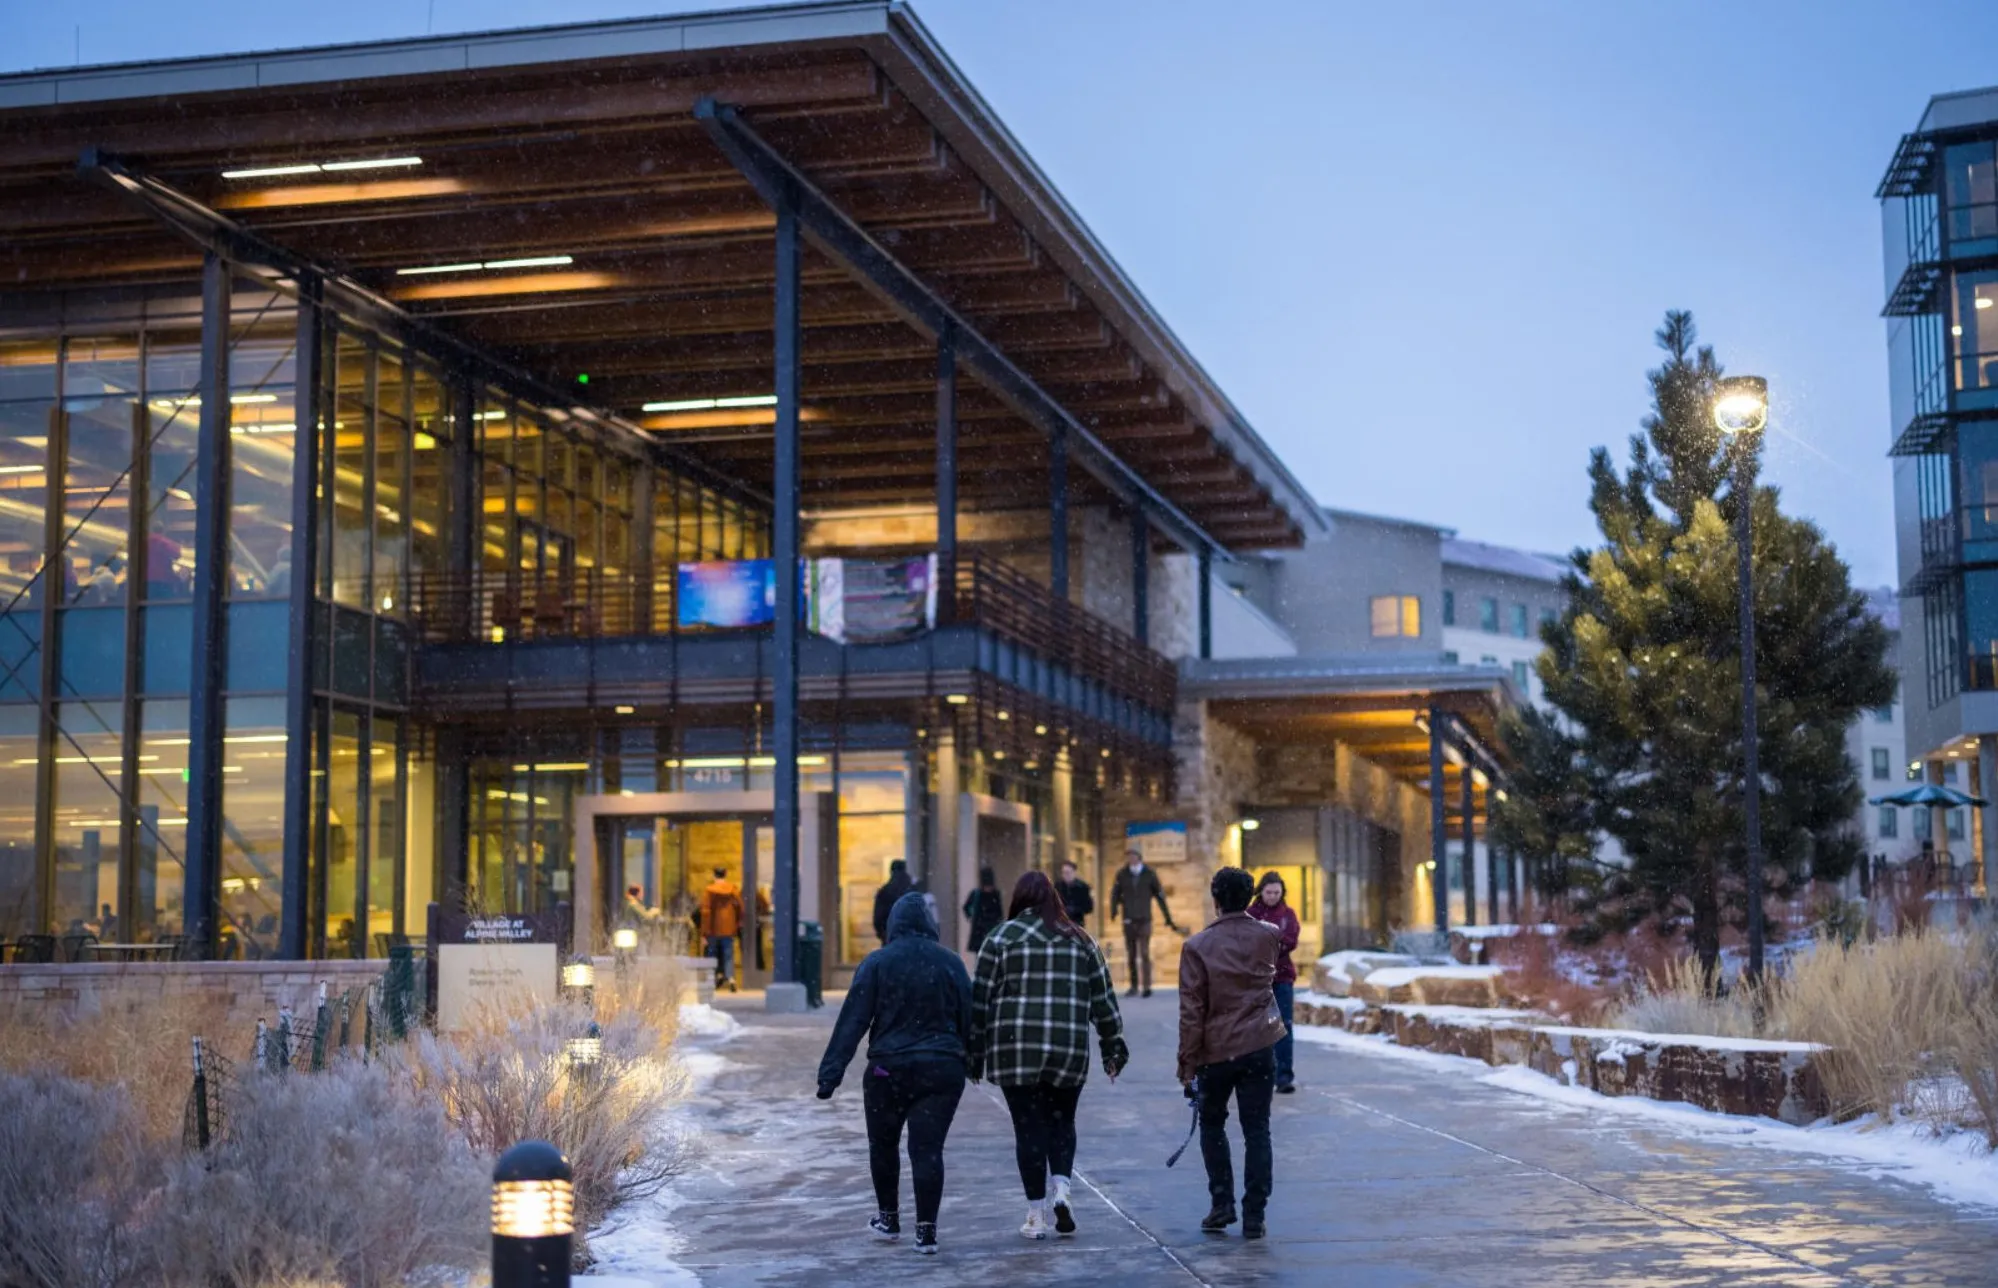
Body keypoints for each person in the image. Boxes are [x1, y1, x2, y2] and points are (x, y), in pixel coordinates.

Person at [970, 870, 1127, 1241]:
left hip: (1016, 1050)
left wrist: (974, 1052)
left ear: (1019, 899)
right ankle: (1062, 1191)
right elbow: (1103, 1000)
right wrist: (1112, 1046)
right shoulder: (1081, 940)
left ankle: (1035, 1216)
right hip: (1067, 1048)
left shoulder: (1000, 938)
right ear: (1053, 898)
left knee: (1027, 1130)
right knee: (1062, 1122)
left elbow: (980, 1001)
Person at [816, 891, 972, 1256]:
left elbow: (853, 1021)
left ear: (893, 925)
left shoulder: (878, 963)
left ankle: (888, 1219)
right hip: (941, 1069)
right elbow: (970, 1016)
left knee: (883, 1145)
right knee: (927, 1149)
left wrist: (830, 1075)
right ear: (930, 926)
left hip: (889, 1070)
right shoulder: (951, 963)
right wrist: (973, 1061)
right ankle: (927, 1232)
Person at [1178, 866, 1286, 1240]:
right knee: (1257, 1129)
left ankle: (1221, 1203)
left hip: (1216, 1050)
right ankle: (1255, 1214)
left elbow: (1192, 1010)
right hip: (1259, 1044)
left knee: (1212, 1124)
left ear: (1216, 899)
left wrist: (1186, 1063)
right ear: (1250, 896)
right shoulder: (1269, 936)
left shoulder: (1197, 947)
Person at [1248, 871, 1301, 1094]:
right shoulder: (1250, 913)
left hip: (1282, 977)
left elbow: (1290, 941)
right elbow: (1248, 941)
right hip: (1256, 979)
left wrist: (1268, 945)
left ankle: (1284, 1077)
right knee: (1256, 1028)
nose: (1272, 896)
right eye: (1269, 892)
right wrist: (1273, 943)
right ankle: (1256, 1077)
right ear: (1261, 891)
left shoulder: (1287, 914)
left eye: (1277, 892)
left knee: (1284, 1027)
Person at [1109, 847, 1177, 997]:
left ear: (1139, 857)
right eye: (1129, 856)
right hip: (1128, 918)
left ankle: (1146, 986)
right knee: (1131, 953)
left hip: (1144, 918)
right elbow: (1115, 894)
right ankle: (1134, 985)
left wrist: (1167, 917)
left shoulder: (1149, 874)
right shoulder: (1122, 874)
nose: (1131, 858)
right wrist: (1113, 911)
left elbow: (1159, 895)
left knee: (1144, 952)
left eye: (1133, 855)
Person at [701, 866, 744, 991]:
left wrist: (704, 932)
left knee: (712, 954)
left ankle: (712, 978)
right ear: (725, 875)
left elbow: (705, 912)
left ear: (714, 875)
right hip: (728, 928)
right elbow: (741, 908)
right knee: (728, 954)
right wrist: (736, 923)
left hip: (713, 928)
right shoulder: (732, 889)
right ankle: (731, 978)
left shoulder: (709, 891)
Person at [873, 858, 914, 945]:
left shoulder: (885, 891)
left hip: (890, 939)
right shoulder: (913, 889)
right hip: (913, 941)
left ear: (891, 871)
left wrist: (884, 935)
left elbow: (878, 919)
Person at [962, 866, 1003, 953]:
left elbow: (999, 914)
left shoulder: (994, 894)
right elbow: (966, 908)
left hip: (989, 931)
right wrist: (972, 917)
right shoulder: (977, 894)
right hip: (981, 932)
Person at [1055, 859, 1094, 927]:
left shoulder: (1083, 887)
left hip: (1077, 922)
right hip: (1061, 922)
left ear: (1074, 872)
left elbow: (1089, 908)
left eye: (1068, 873)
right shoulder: (1057, 886)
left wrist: (1075, 910)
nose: (1066, 875)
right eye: (1063, 873)